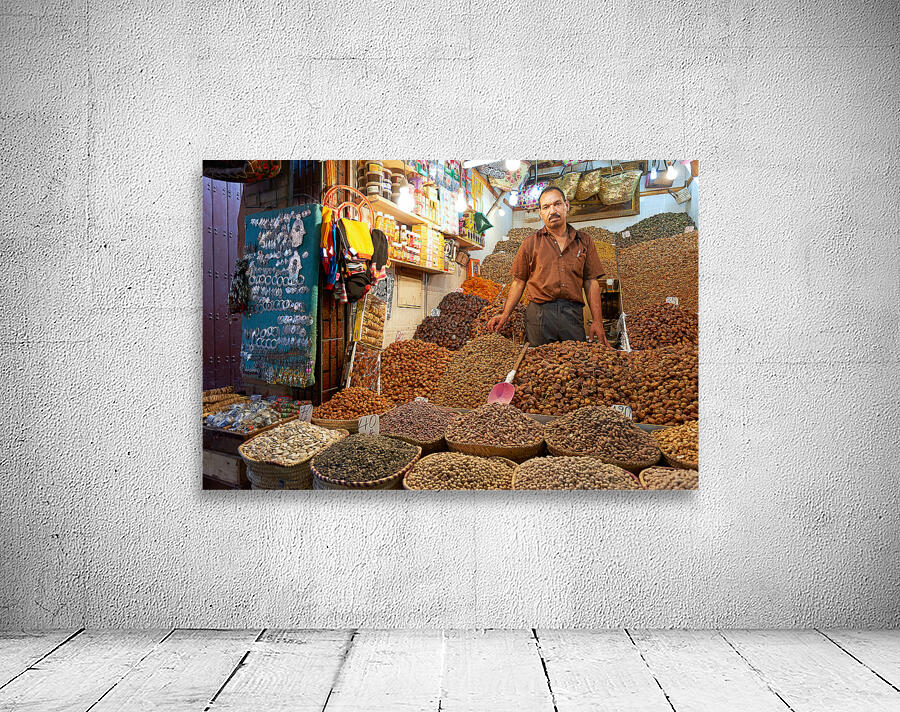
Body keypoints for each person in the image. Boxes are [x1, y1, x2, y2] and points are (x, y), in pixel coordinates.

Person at [486, 186, 611, 347]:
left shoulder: (584, 241)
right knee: (539, 365)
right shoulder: (530, 243)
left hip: (572, 315)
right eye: (546, 207)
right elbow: (518, 282)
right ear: (540, 213)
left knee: (574, 364)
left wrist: (598, 321)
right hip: (539, 315)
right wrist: (505, 314)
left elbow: (591, 282)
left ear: (566, 205)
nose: (552, 210)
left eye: (557, 204)